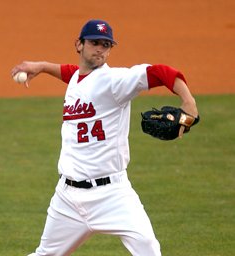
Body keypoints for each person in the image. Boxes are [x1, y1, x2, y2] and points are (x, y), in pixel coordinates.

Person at [11, 19, 198, 256]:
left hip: (112, 195)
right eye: (94, 42)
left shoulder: (115, 81)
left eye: (106, 45)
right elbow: (74, 74)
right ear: (79, 45)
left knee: (149, 250)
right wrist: (42, 66)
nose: (100, 49)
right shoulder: (78, 79)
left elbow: (159, 72)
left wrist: (188, 101)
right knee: (44, 254)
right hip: (67, 197)